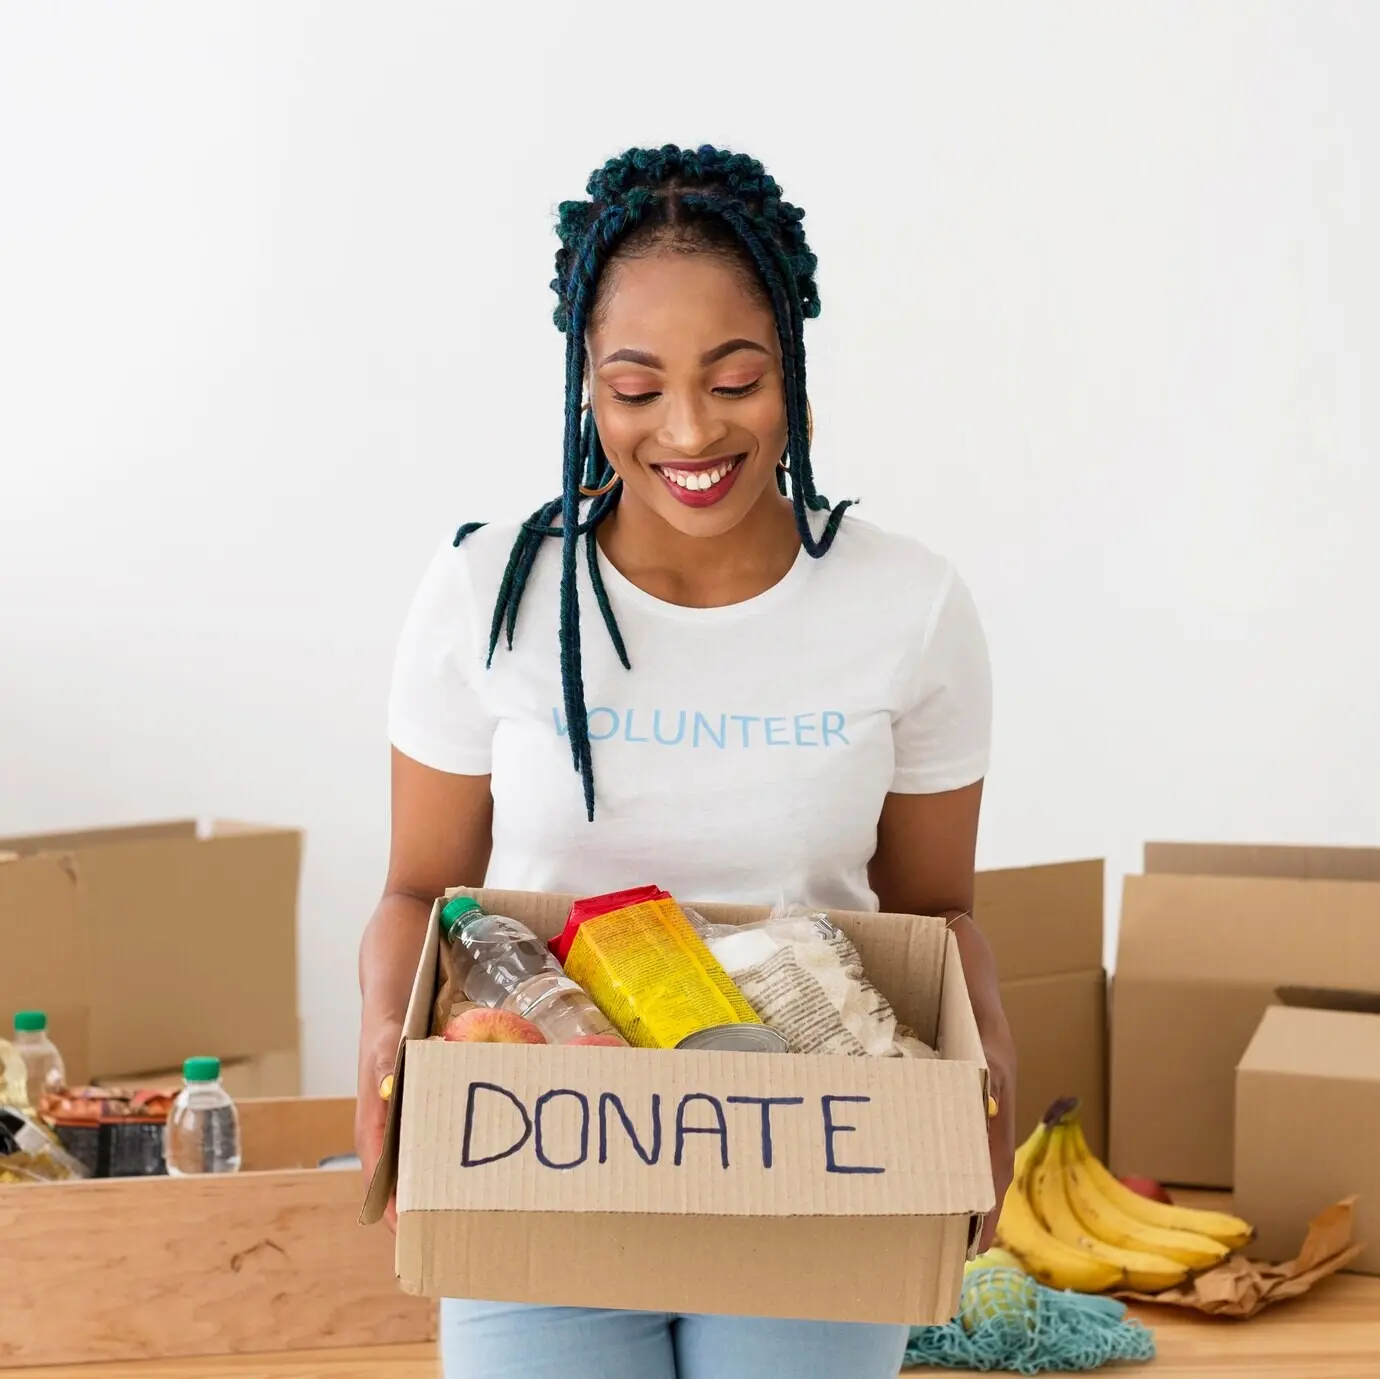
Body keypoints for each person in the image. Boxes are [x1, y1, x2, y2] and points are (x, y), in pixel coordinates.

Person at [357, 143, 1017, 1379]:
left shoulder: (909, 606)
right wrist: (387, 1053)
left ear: (793, 374)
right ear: (586, 390)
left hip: (819, 1150)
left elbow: (938, 916)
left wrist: (991, 1075)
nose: (691, 428)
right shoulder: (488, 594)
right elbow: (416, 894)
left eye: (737, 377)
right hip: (541, 1142)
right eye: (637, 384)